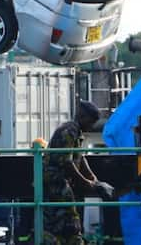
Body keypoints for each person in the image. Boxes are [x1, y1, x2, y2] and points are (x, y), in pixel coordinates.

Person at [42, 101, 103, 244]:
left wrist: (92, 177)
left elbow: (80, 157)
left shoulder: (76, 132)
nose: (92, 125)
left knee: (64, 220)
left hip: (62, 182)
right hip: (55, 182)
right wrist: (85, 182)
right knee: (70, 218)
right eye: (91, 120)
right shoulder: (69, 130)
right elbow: (66, 161)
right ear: (82, 116)